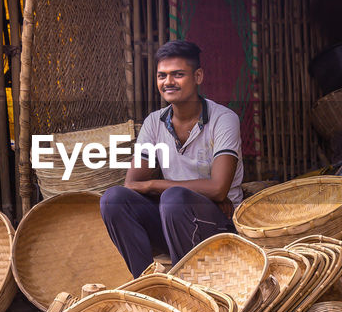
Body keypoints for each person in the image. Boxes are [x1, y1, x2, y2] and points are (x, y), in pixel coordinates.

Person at [101, 39, 244, 276]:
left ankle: (184, 284)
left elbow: (219, 189)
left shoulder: (223, 119)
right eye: (162, 75)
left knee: (175, 199)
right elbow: (131, 184)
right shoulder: (154, 122)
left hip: (219, 224)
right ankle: (147, 283)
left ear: (198, 76)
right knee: (113, 199)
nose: (168, 82)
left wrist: (154, 185)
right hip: (172, 221)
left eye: (178, 74)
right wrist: (191, 191)